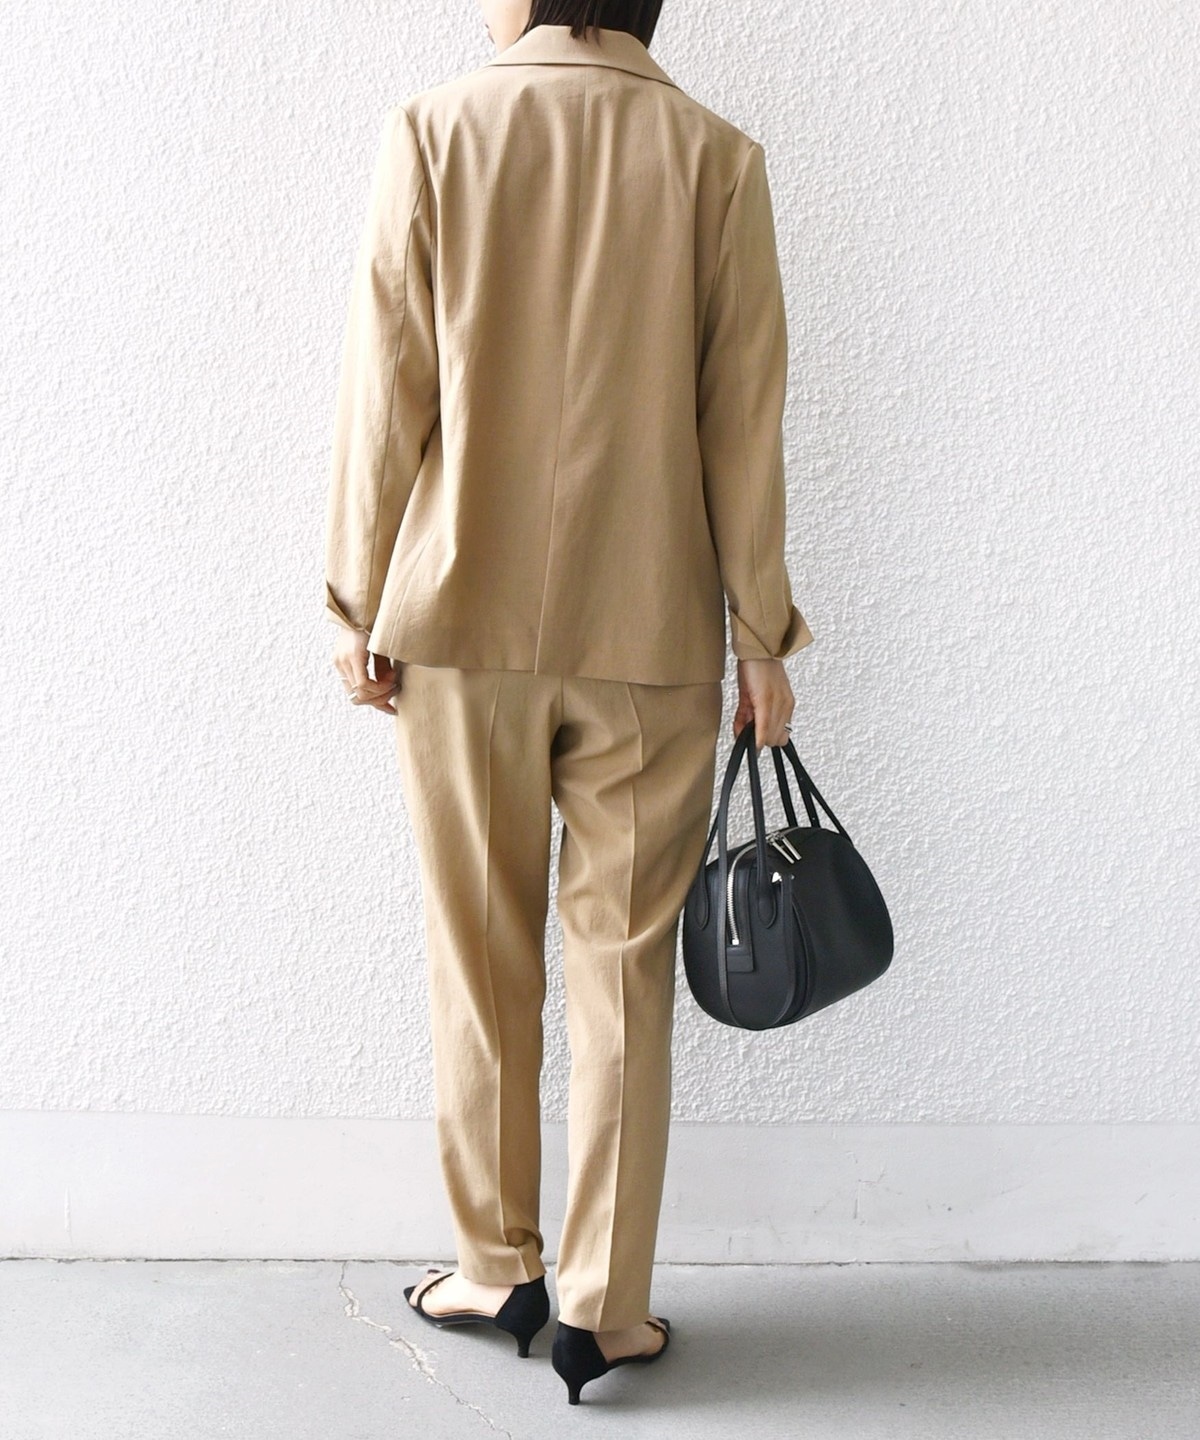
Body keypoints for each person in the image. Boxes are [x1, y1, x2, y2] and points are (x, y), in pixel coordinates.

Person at [324, 0, 814, 1406]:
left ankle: (497, 1267)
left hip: (459, 626)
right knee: (623, 973)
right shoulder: (716, 158)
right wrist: (760, 636)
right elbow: (743, 416)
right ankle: (605, 1306)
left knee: (481, 956)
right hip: (650, 628)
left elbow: (386, 381)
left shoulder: (437, 133)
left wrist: (355, 591)